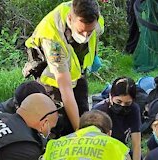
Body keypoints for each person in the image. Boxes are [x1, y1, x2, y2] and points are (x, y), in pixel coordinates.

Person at [24, 0, 104, 137]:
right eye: (81, 31)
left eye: (89, 31)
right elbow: (65, 89)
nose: (85, 36)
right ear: (70, 19)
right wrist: (79, 133)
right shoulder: (52, 39)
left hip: (77, 73)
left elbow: (94, 35)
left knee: (83, 111)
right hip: (52, 78)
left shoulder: (92, 15)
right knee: (60, 123)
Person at [93, 77, 142, 160]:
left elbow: (136, 144)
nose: (122, 106)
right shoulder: (100, 111)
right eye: (118, 102)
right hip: (102, 152)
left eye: (127, 103)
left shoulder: (134, 109)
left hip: (121, 150)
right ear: (111, 96)